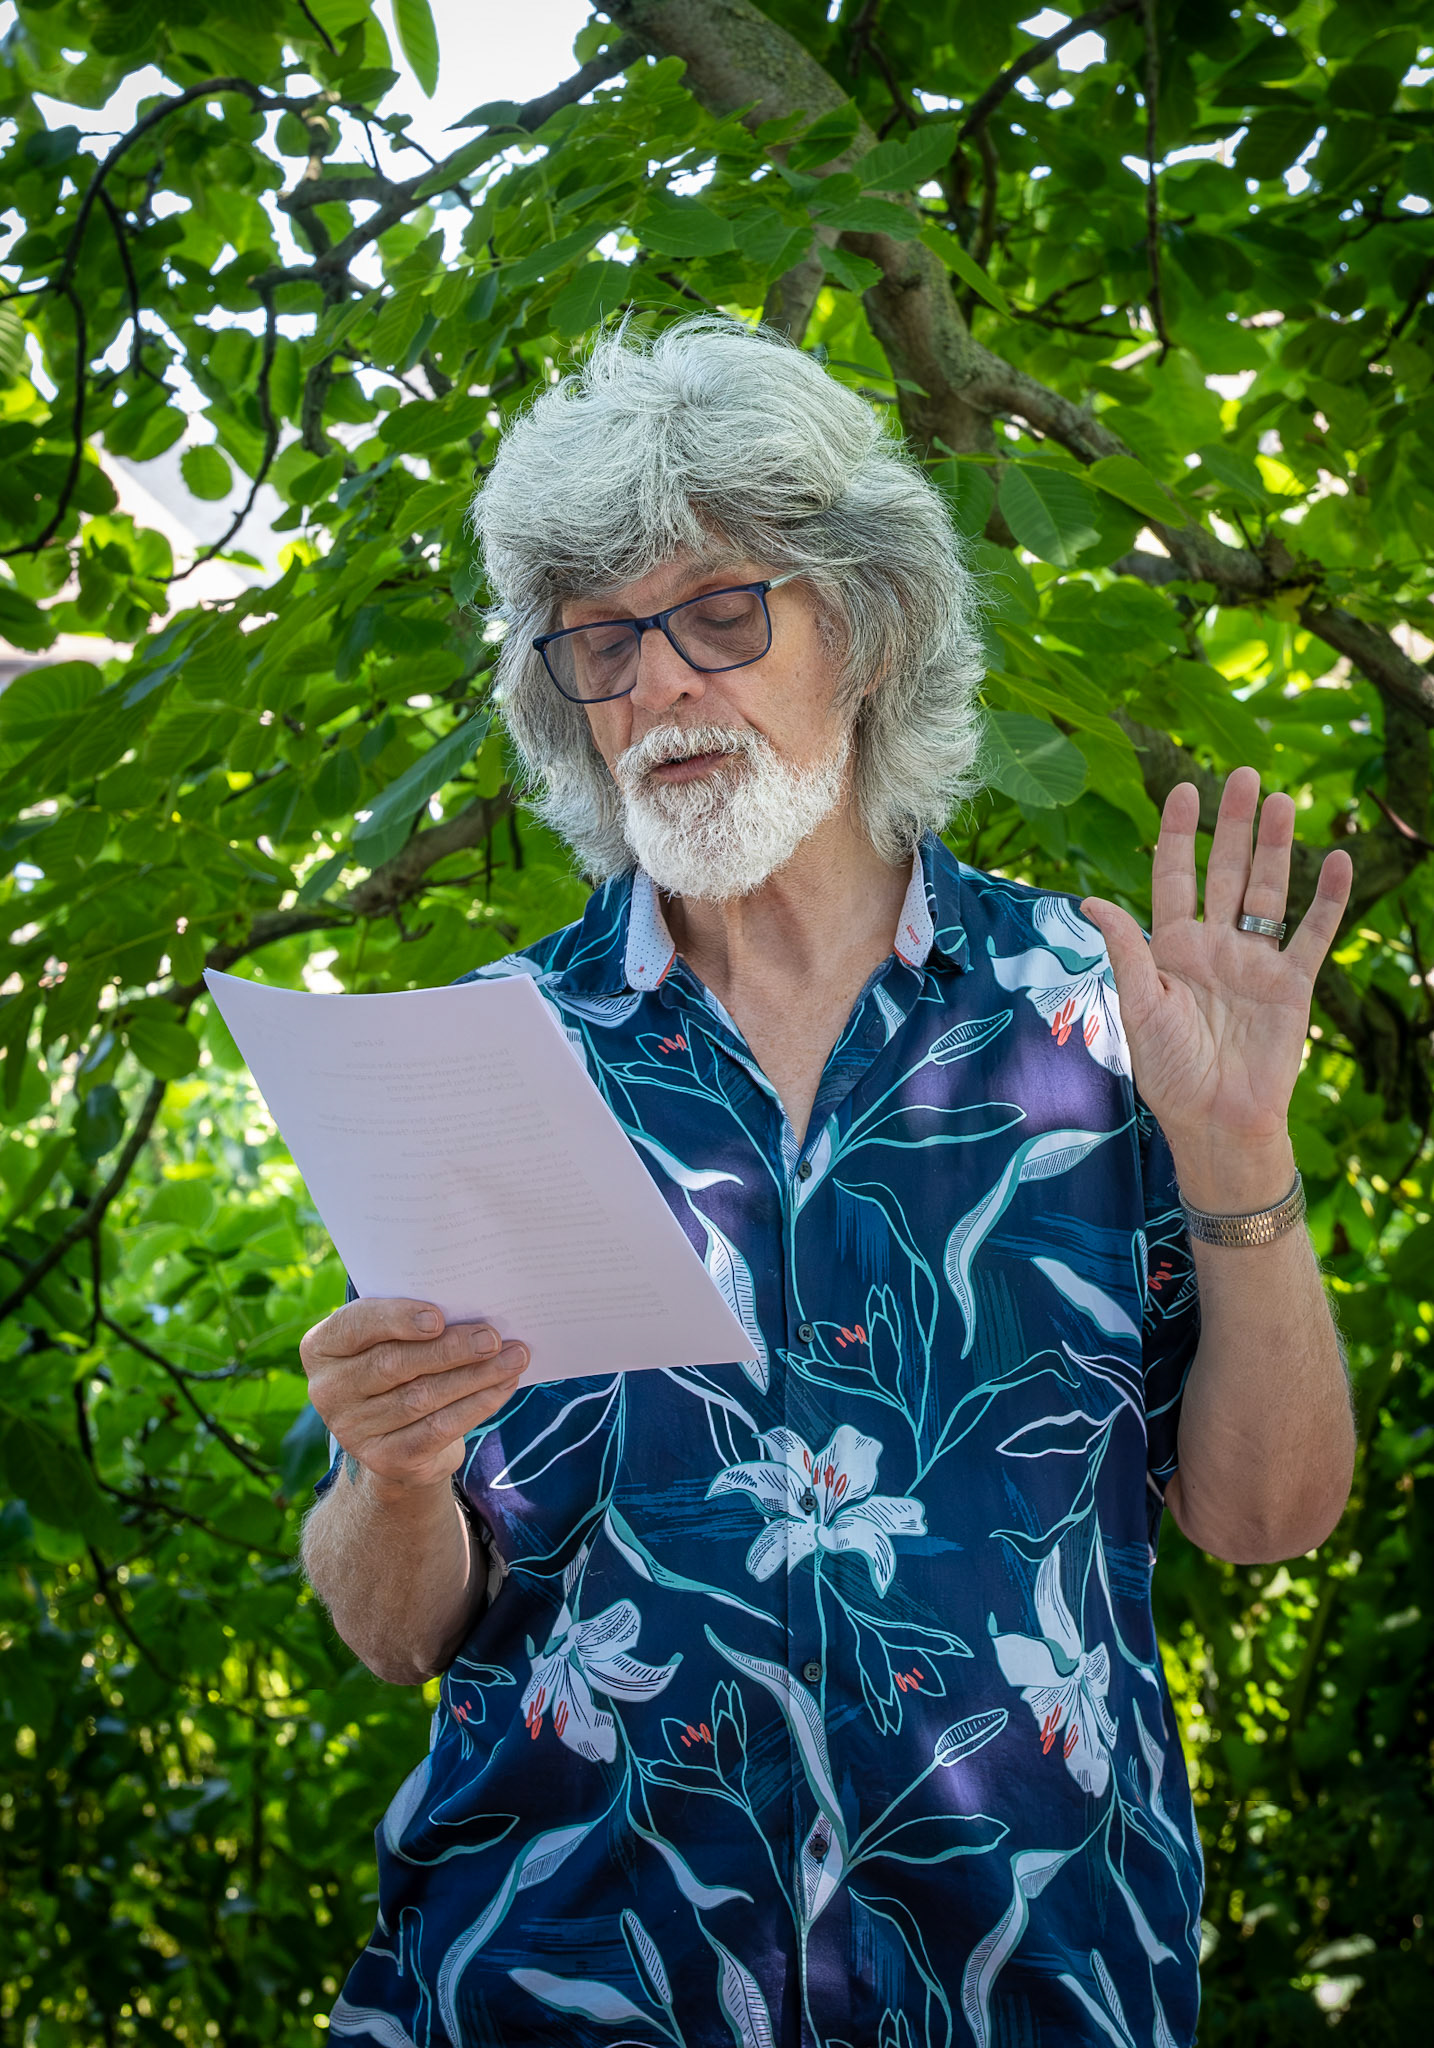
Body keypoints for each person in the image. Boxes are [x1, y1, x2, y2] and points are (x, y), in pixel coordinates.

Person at [299, 318, 1355, 2048]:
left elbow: (1266, 1517)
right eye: (601, 643)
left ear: (862, 629)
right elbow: (396, 1628)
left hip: (1032, 1990)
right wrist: (396, 1474)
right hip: (555, 1990)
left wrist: (1240, 1159)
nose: (661, 685)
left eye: (723, 613)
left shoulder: (1097, 1018)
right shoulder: (475, 1061)